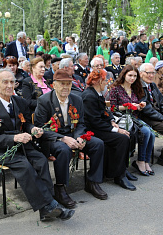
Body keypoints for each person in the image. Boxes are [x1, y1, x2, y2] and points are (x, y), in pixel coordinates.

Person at [0, 68, 74, 221]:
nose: (10, 85)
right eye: (5, 82)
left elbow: (27, 124)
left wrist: (33, 129)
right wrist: (15, 138)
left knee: (41, 161)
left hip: (22, 144)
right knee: (24, 165)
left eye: (12, 82)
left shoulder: (19, 101)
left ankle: (47, 208)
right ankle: (50, 205)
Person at [34, 69, 108, 208]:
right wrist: (63, 138)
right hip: (53, 138)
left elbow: (81, 123)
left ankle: (92, 182)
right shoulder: (44, 101)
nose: (66, 87)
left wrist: (79, 137)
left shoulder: (76, 99)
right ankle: (60, 188)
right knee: (63, 150)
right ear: (54, 85)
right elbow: (41, 128)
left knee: (98, 144)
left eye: (68, 84)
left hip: (73, 134)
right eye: (62, 84)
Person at [81, 69, 136, 189]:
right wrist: (115, 129)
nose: (106, 83)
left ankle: (120, 169)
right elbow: (95, 121)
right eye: (104, 80)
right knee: (122, 138)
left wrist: (111, 121)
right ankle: (119, 176)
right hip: (92, 130)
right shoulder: (89, 96)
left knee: (129, 135)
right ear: (98, 81)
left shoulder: (97, 93)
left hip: (100, 127)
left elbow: (105, 111)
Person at [110, 65, 155, 175]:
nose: (132, 78)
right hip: (122, 119)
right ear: (124, 75)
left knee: (152, 134)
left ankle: (145, 161)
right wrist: (127, 106)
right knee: (145, 132)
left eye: (135, 76)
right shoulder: (116, 89)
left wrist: (140, 105)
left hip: (134, 118)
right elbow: (112, 107)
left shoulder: (134, 89)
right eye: (130, 75)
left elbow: (136, 106)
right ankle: (140, 160)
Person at [139, 63, 163, 169]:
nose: (151, 75)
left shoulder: (152, 85)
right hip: (147, 118)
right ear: (141, 73)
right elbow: (146, 109)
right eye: (148, 73)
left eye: (153, 73)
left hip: (158, 115)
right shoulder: (138, 87)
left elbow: (161, 104)